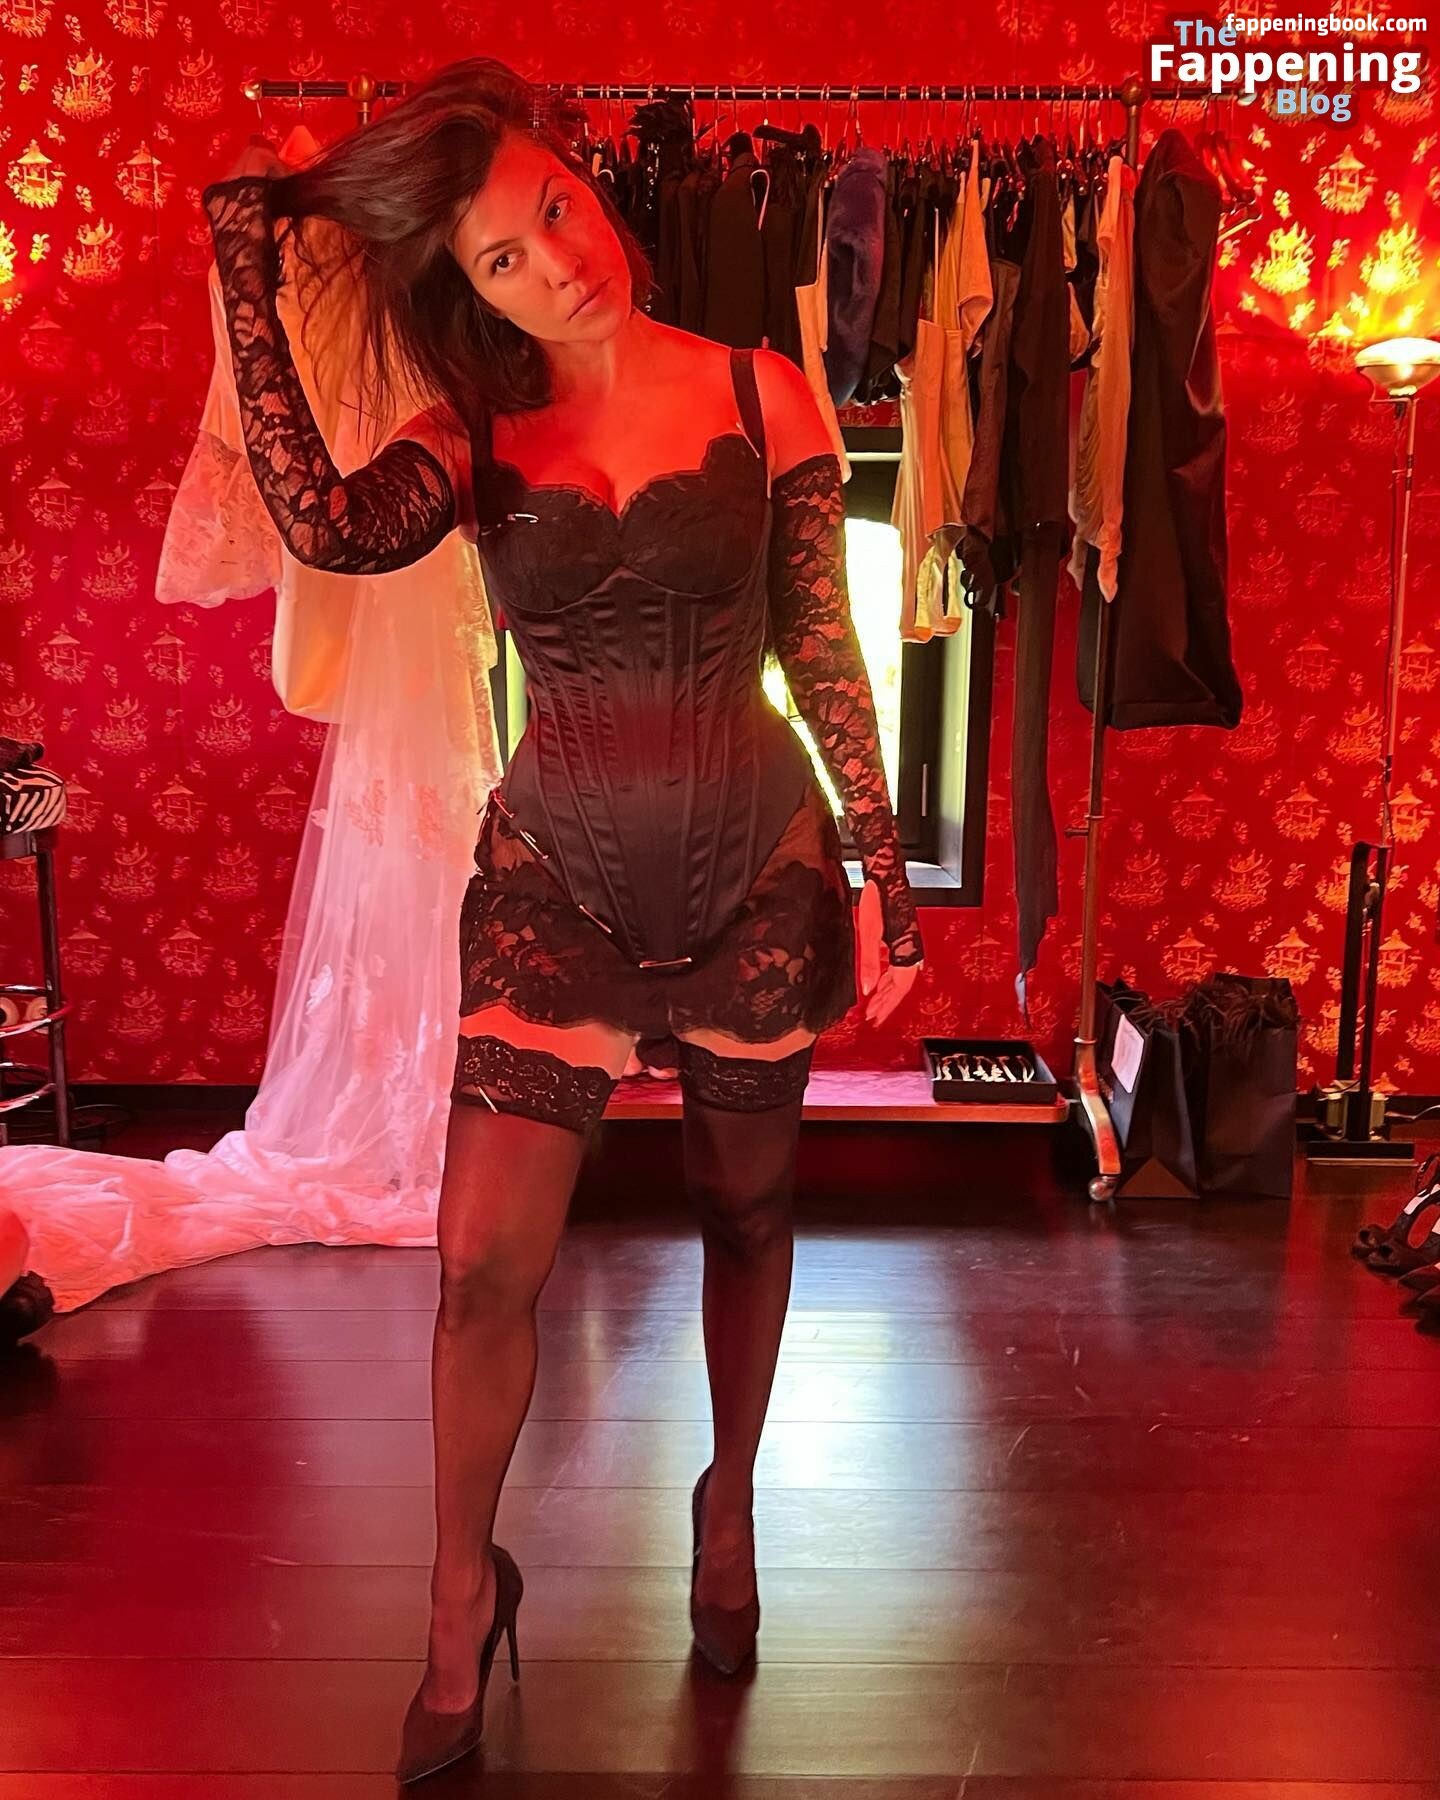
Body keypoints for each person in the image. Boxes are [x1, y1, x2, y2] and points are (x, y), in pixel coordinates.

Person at [200, 56, 924, 1784]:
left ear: (587, 180)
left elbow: (821, 646)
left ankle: (729, 1502)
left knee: (747, 1214)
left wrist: (885, 874)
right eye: (504, 260)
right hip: (556, 889)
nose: (558, 263)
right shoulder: (472, 432)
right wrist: (245, 271)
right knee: (477, 1273)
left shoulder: (761, 388)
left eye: (554, 211)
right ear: (467, 289)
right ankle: (460, 1599)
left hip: (755, 874)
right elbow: (328, 529)